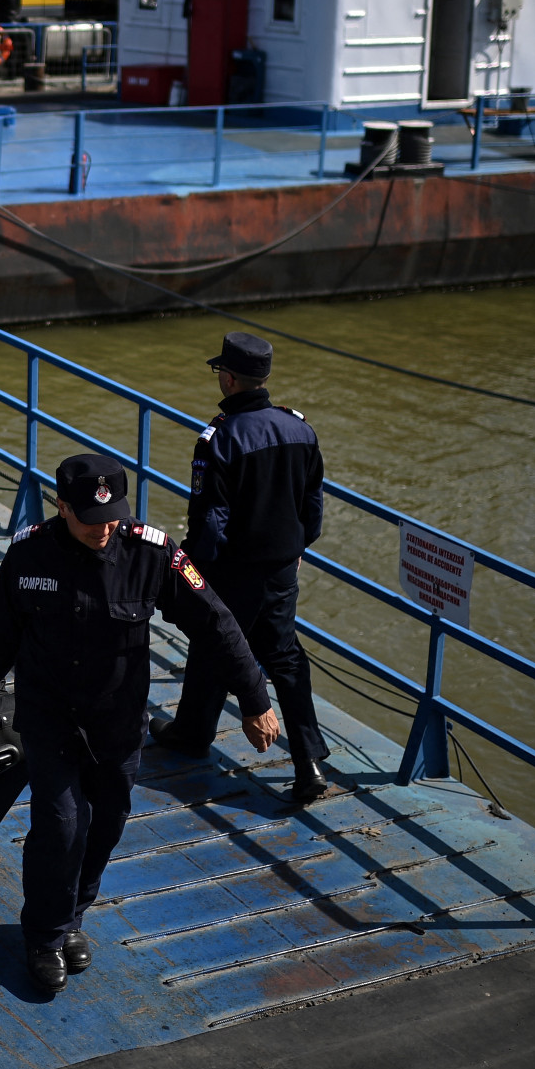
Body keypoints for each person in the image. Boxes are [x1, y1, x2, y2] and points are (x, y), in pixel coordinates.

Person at [0, 456, 280, 994]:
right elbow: (1, 627)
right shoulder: (28, 554)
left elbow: (215, 621)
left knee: (107, 822)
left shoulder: (151, 552)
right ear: (61, 507)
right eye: (90, 518)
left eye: (112, 516)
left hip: (116, 720)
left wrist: (254, 697)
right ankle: (44, 935)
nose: (104, 528)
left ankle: (72, 917)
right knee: (61, 825)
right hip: (49, 714)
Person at [152, 332, 331, 802]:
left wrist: (191, 567)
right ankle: (309, 762)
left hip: (233, 570)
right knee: (285, 657)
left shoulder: (220, 437)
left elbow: (211, 518)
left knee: (215, 642)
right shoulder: (300, 428)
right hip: (282, 569)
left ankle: (192, 735)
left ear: (229, 379)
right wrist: (298, 546)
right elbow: (313, 502)